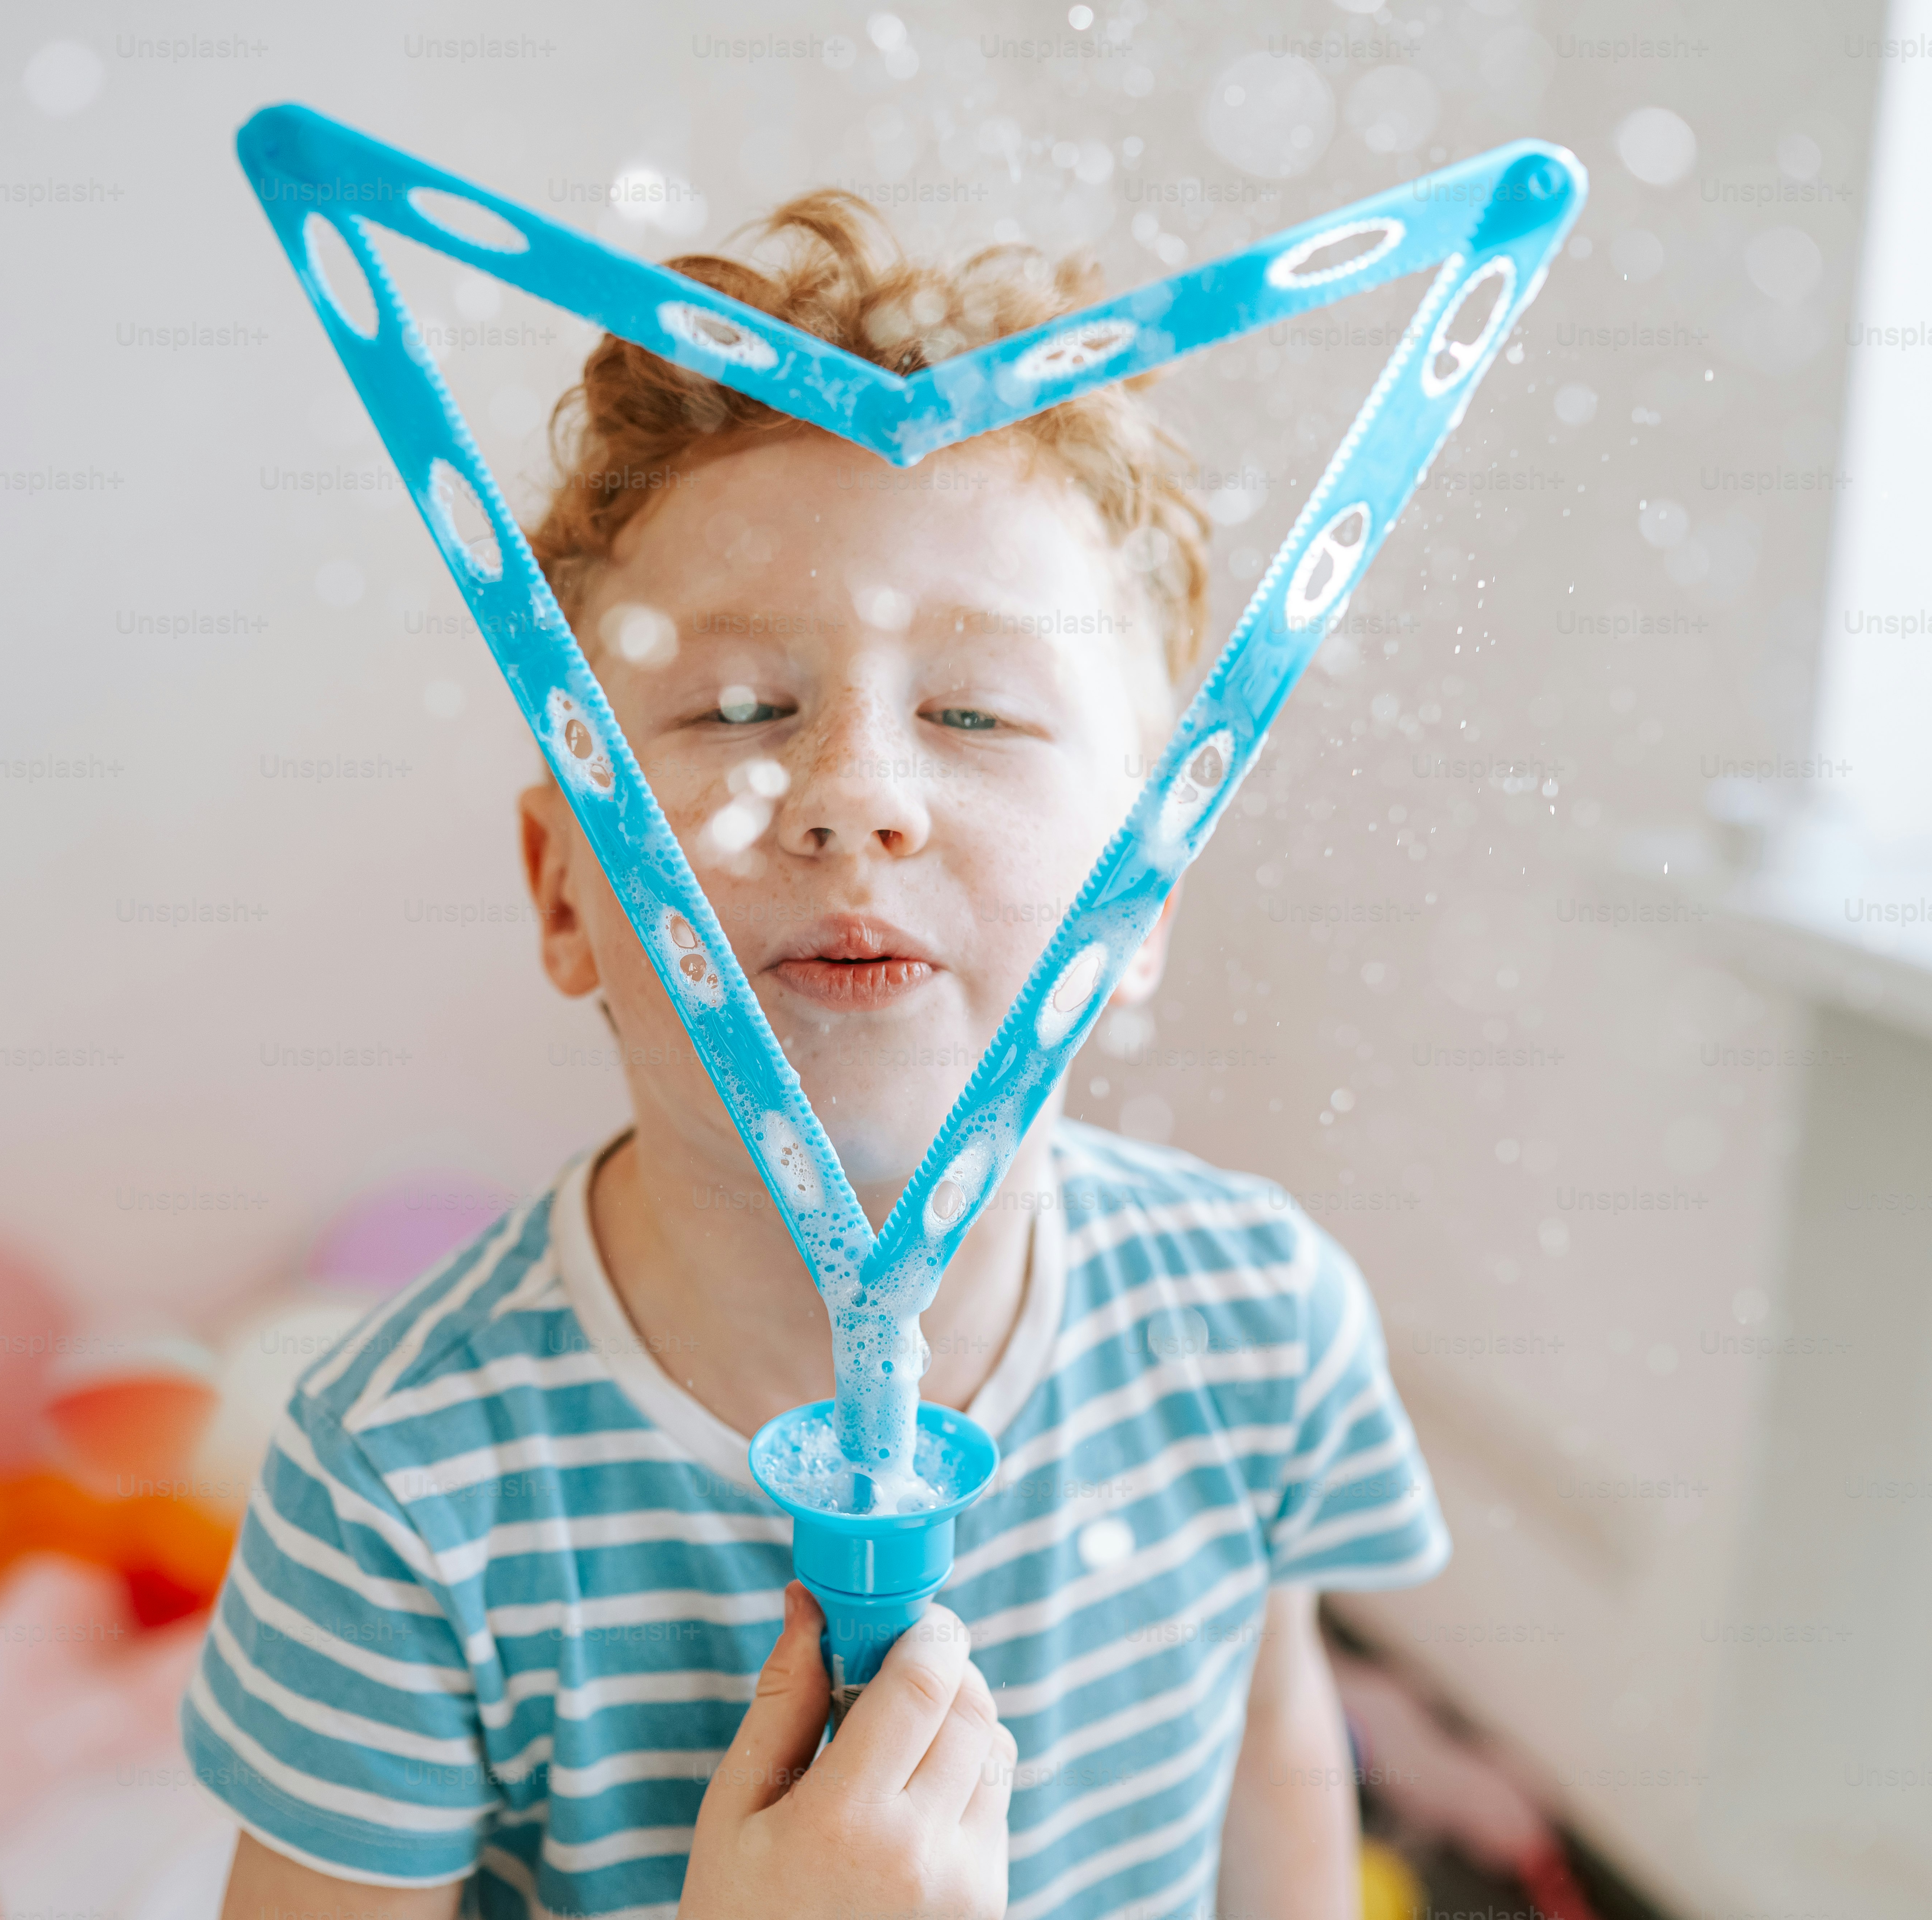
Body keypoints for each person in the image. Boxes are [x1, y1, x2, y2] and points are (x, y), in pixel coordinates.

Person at [190, 189, 1450, 1920]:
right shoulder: (399, 1482)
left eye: (979, 712)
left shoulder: (1262, 1324)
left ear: (1147, 897)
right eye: (738, 708)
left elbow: (1278, 1788)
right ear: (565, 892)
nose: (857, 790)